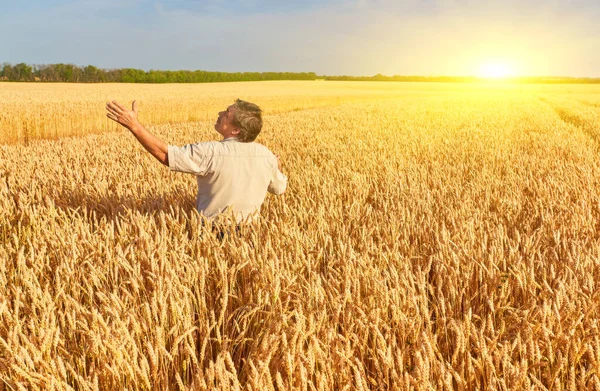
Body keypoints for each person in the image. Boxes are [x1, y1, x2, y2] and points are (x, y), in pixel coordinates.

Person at [105, 99, 287, 227]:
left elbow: (166, 156)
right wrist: (276, 167)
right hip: (250, 236)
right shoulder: (266, 155)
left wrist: (134, 125)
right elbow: (279, 189)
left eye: (227, 113)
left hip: (212, 234)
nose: (220, 113)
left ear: (236, 129)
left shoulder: (211, 152)